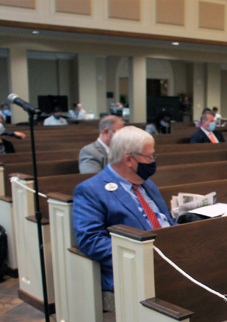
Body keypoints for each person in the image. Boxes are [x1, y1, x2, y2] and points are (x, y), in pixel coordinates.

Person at [73, 126, 175, 307]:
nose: (153, 161)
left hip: (171, 256)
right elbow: (91, 241)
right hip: (135, 268)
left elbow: (165, 219)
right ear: (129, 159)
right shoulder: (91, 190)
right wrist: (143, 255)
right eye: (149, 156)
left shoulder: (146, 183)